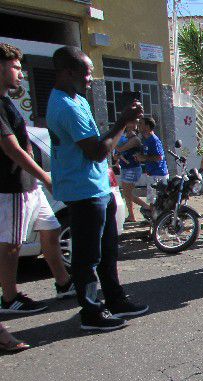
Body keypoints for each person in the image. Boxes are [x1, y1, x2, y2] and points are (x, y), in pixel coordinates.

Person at [46, 46, 148, 330]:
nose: (91, 78)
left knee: (107, 251)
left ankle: (115, 300)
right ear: (68, 72)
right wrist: (122, 121)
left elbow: (103, 146)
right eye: (86, 72)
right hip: (83, 191)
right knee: (87, 256)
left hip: (98, 186)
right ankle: (90, 313)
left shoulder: (77, 99)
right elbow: (96, 151)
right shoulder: (65, 107)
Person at [0, 43, 74, 316]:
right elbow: (12, 148)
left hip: (30, 186)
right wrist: (45, 176)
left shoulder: (7, 101)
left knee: (51, 230)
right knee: (12, 245)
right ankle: (9, 298)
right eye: (15, 67)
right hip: (12, 186)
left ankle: (64, 283)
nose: (20, 73)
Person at [113, 120, 147, 222]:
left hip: (132, 169)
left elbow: (120, 149)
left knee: (127, 194)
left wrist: (112, 141)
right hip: (125, 168)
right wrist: (117, 156)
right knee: (127, 193)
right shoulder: (125, 138)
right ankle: (131, 215)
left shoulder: (135, 139)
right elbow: (116, 155)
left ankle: (147, 207)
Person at [134, 117, 168, 207]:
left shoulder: (154, 140)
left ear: (147, 127)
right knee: (152, 201)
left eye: (141, 124)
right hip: (152, 174)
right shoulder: (146, 140)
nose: (138, 126)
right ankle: (154, 219)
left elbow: (160, 157)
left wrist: (144, 158)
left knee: (158, 201)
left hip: (158, 174)